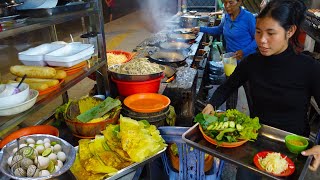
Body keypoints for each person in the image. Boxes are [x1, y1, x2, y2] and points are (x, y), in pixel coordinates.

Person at [201, 0, 320, 178]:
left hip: (294, 146)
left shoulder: (308, 68)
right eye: (258, 32)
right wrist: (211, 104)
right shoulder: (252, 62)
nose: (262, 40)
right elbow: (227, 87)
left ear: (290, 31)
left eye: (271, 33)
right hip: (256, 139)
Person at [192, 0, 257, 110]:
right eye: (225, 2)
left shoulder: (248, 18)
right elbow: (219, 30)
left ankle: (255, 118)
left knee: (250, 93)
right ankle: (230, 113)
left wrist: (244, 51)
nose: (227, 6)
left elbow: (257, 39)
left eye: (230, 3)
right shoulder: (226, 16)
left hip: (247, 61)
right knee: (230, 90)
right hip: (231, 61)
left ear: (240, 2)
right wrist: (200, 29)